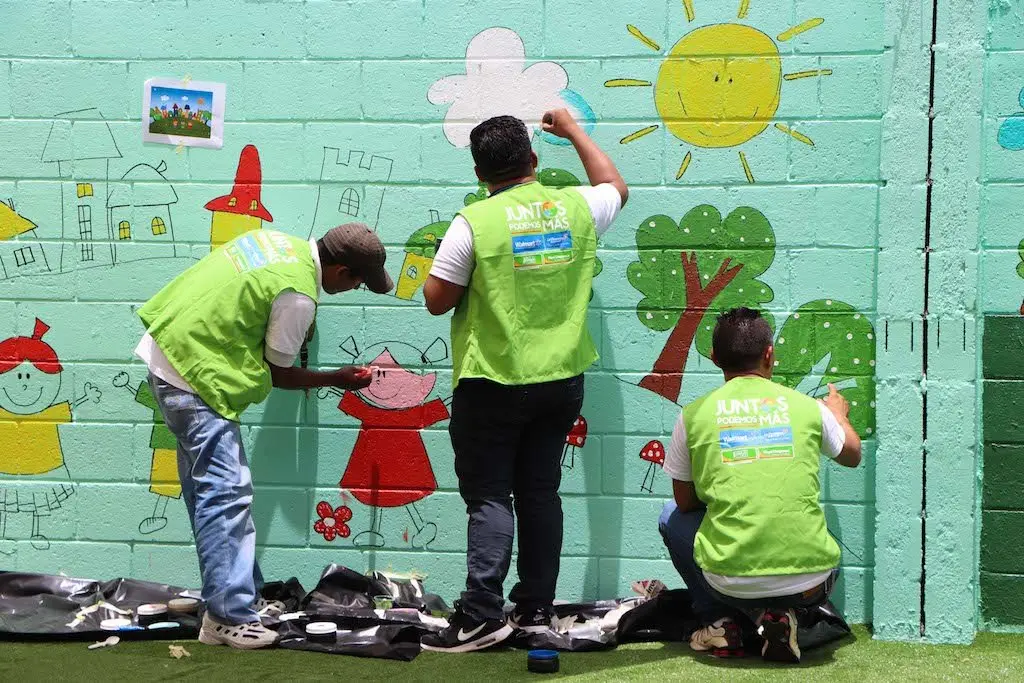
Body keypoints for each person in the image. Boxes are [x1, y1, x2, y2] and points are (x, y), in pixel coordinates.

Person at [420, 109, 628, 653]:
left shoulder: (474, 222)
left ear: (478, 173)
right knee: (540, 493)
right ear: (534, 161)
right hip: (560, 381)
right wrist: (576, 132)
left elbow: (436, 300)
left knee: (489, 497)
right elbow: (615, 186)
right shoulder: (577, 207)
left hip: (491, 380)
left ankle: (483, 613)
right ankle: (535, 609)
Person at [135, 223, 394, 649]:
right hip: (195, 373)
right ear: (342, 270)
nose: (355, 290)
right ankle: (227, 616)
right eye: (359, 283)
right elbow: (281, 373)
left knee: (212, 494)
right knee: (225, 494)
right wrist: (338, 379)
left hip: (172, 352)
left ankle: (238, 597)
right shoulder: (298, 296)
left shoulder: (274, 242)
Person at [657, 307, 863, 663]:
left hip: (728, 582)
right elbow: (852, 455)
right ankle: (780, 619)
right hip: (813, 582)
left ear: (714, 358)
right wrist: (839, 416)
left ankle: (720, 625)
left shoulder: (691, 415)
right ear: (770, 354)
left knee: (669, 516)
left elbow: (685, 503)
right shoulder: (809, 408)